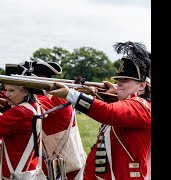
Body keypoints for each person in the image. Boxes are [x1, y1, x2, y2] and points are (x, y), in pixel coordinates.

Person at [46, 41, 151, 179]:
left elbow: (110, 113)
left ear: (142, 86)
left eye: (125, 80)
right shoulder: (132, 104)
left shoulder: (141, 106)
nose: (119, 83)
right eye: (119, 79)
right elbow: (120, 111)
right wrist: (111, 96)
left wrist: (71, 94)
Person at [13, 61, 86, 180]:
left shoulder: (51, 98)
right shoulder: (50, 96)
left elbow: (25, 110)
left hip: (66, 166)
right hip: (57, 162)